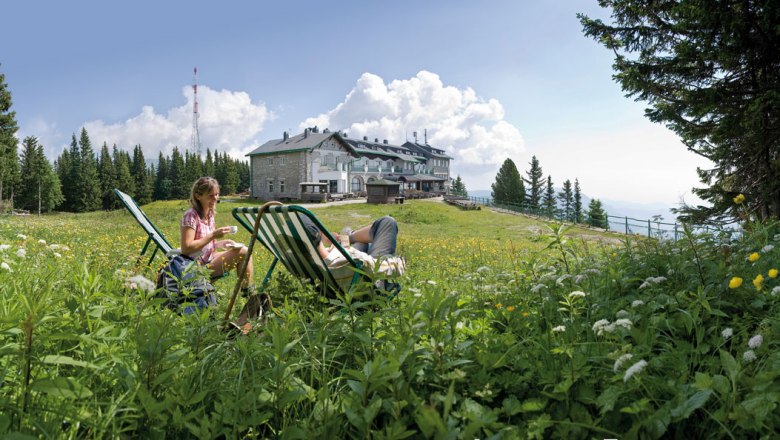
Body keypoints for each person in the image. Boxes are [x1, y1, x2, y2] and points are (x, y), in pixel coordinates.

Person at [180, 177, 255, 296]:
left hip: (208, 259)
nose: (215, 198)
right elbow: (186, 248)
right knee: (244, 252)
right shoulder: (191, 215)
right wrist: (213, 235)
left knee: (245, 252)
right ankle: (249, 296)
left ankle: (247, 293)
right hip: (195, 267)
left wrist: (220, 243)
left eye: (217, 194)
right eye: (210, 195)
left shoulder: (209, 214)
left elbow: (204, 243)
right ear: (198, 196)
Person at [301, 215, 405, 282]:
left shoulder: (308, 260)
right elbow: (380, 268)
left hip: (341, 261)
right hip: (364, 277)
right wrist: (399, 262)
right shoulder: (334, 264)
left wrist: (331, 248)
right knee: (387, 222)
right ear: (316, 237)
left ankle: (347, 237)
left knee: (360, 242)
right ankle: (348, 236)